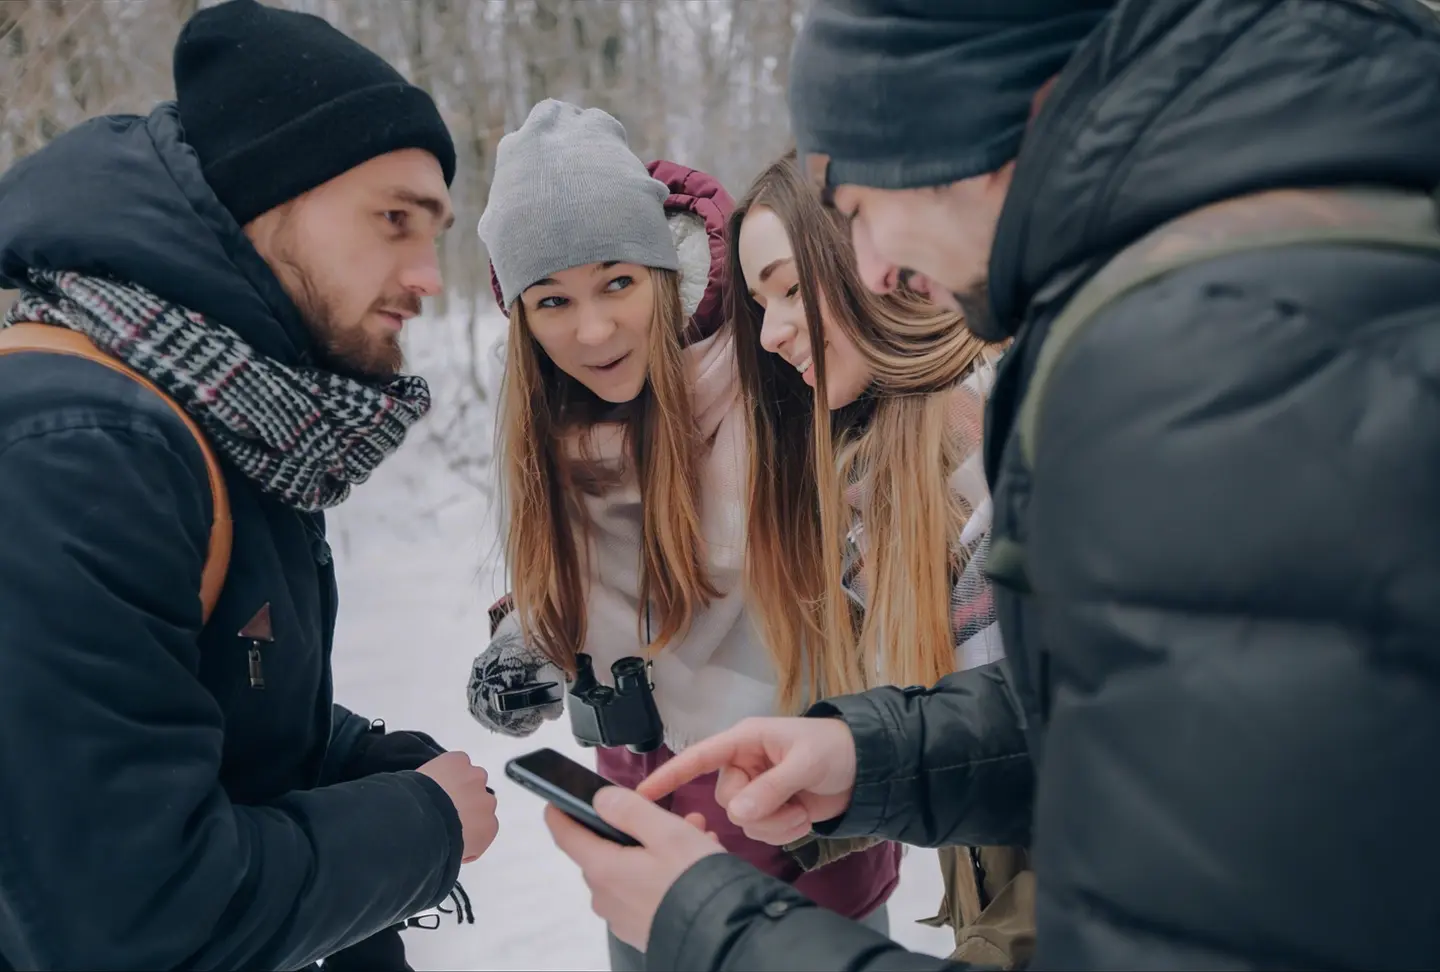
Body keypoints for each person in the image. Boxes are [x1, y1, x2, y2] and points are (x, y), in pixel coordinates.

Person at [544, 1, 1440, 969]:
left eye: (858, 214)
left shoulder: (1195, 368)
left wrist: (713, 927)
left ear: (968, 126)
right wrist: (877, 759)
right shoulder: (1194, 312)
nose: (876, 270)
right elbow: (1125, 719)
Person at [0, 1, 499, 969]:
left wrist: (343, 758)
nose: (427, 276)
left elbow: (184, 693)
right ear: (262, 202)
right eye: (393, 220)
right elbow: (132, 921)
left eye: (434, 233)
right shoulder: (78, 451)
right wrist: (419, 826)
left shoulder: (230, 415)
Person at [464, 101, 899, 970]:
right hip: (643, 823)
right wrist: (529, 639)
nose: (592, 330)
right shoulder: (552, 419)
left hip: (795, 825)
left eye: (618, 283)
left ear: (666, 269)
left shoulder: (775, 368)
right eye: (553, 300)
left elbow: (883, 537)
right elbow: (599, 579)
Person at [730, 152, 1030, 968]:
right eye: (760, 304)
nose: (770, 331)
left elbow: (1088, 783)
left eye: (791, 289)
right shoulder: (873, 480)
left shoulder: (987, 461)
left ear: (872, 264)